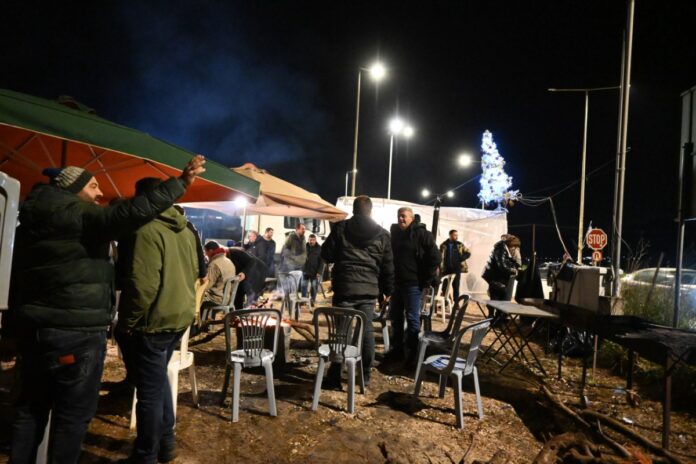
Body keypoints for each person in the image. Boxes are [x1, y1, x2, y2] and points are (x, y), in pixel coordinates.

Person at [8, 156, 205, 463]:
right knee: (73, 416)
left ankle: (152, 451)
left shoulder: (27, 223)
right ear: (72, 188)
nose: (100, 193)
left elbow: (142, 283)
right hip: (86, 331)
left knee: (30, 410)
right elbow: (179, 269)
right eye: (93, 186)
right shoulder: (81, 216)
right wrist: (179, 183)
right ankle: (158, 448)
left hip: (38, 328)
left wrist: (128, 322)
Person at [115, 177, 201, 463]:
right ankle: (166, 444)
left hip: (154, 321)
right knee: (158, 380)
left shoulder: (145, 230)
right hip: (179, 316)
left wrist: (127, 322)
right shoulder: (185, 229)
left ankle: (146, 456)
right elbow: (196, 271)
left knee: (149, 393)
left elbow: (143, 286)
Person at [321, 195, 394, 387]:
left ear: (354, 210)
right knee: (366, 330)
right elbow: (388, 266)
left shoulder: (341, 228)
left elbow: (326, 254)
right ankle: (364, 375)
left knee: (341, 331)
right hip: (369, 290)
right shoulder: (383, 234)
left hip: (345, 287)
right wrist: (387, 290)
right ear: (370, 210)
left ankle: (335, 375)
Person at [385, 207, 440, 369]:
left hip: (413, 285)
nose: (400, 219)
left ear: (412, 218)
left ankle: (412, 354)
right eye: (399, 216)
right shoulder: (395, 234)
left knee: (412, 319)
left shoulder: (422, 234)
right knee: (395, 317)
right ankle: (397, 350)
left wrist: (426, 278)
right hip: (397, 284)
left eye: (404, 216)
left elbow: (435, 257)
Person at [482, 234, 521, 301]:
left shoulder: (503, 248)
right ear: (511, 244)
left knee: (497, 300)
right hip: (496, 280)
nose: (514, 249)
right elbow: (502, 266)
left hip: (497, 279)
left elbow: (505, 262)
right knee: (497, 301)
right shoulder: (501, 249)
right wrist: (514, 271)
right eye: (514, 247)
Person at [201, 241, 237, 310]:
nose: (205, 254)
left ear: (210, 251)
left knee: (194, 298)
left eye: (206, 251)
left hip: (216, 299)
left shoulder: (214, 264)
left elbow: (206, 285)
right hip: (228, 298)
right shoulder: (229, 261)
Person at [439, 229, 471, 303]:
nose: (456, 236)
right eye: (455, 235)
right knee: (444, 286)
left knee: (456, 286)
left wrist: (462, 258)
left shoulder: (459, 245)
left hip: (456, 269)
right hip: (446, 269)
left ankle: (456, 303)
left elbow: (468, 253)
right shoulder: (443, 245)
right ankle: (446, 302)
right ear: (450, 235)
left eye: (457, 235)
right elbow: (440, 256)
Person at [302, 234, 324, 305]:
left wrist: (319, 272)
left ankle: (312, 300)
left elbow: (322, 261)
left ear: (315, 240)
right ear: (308, 240)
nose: (311, 241)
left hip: (314, 271)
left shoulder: (319, 248)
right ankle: (303, 300)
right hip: (305, 270)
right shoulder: (304, 247)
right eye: (310, 240)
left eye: (313, 240)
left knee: (314, 286)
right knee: (303, 286)